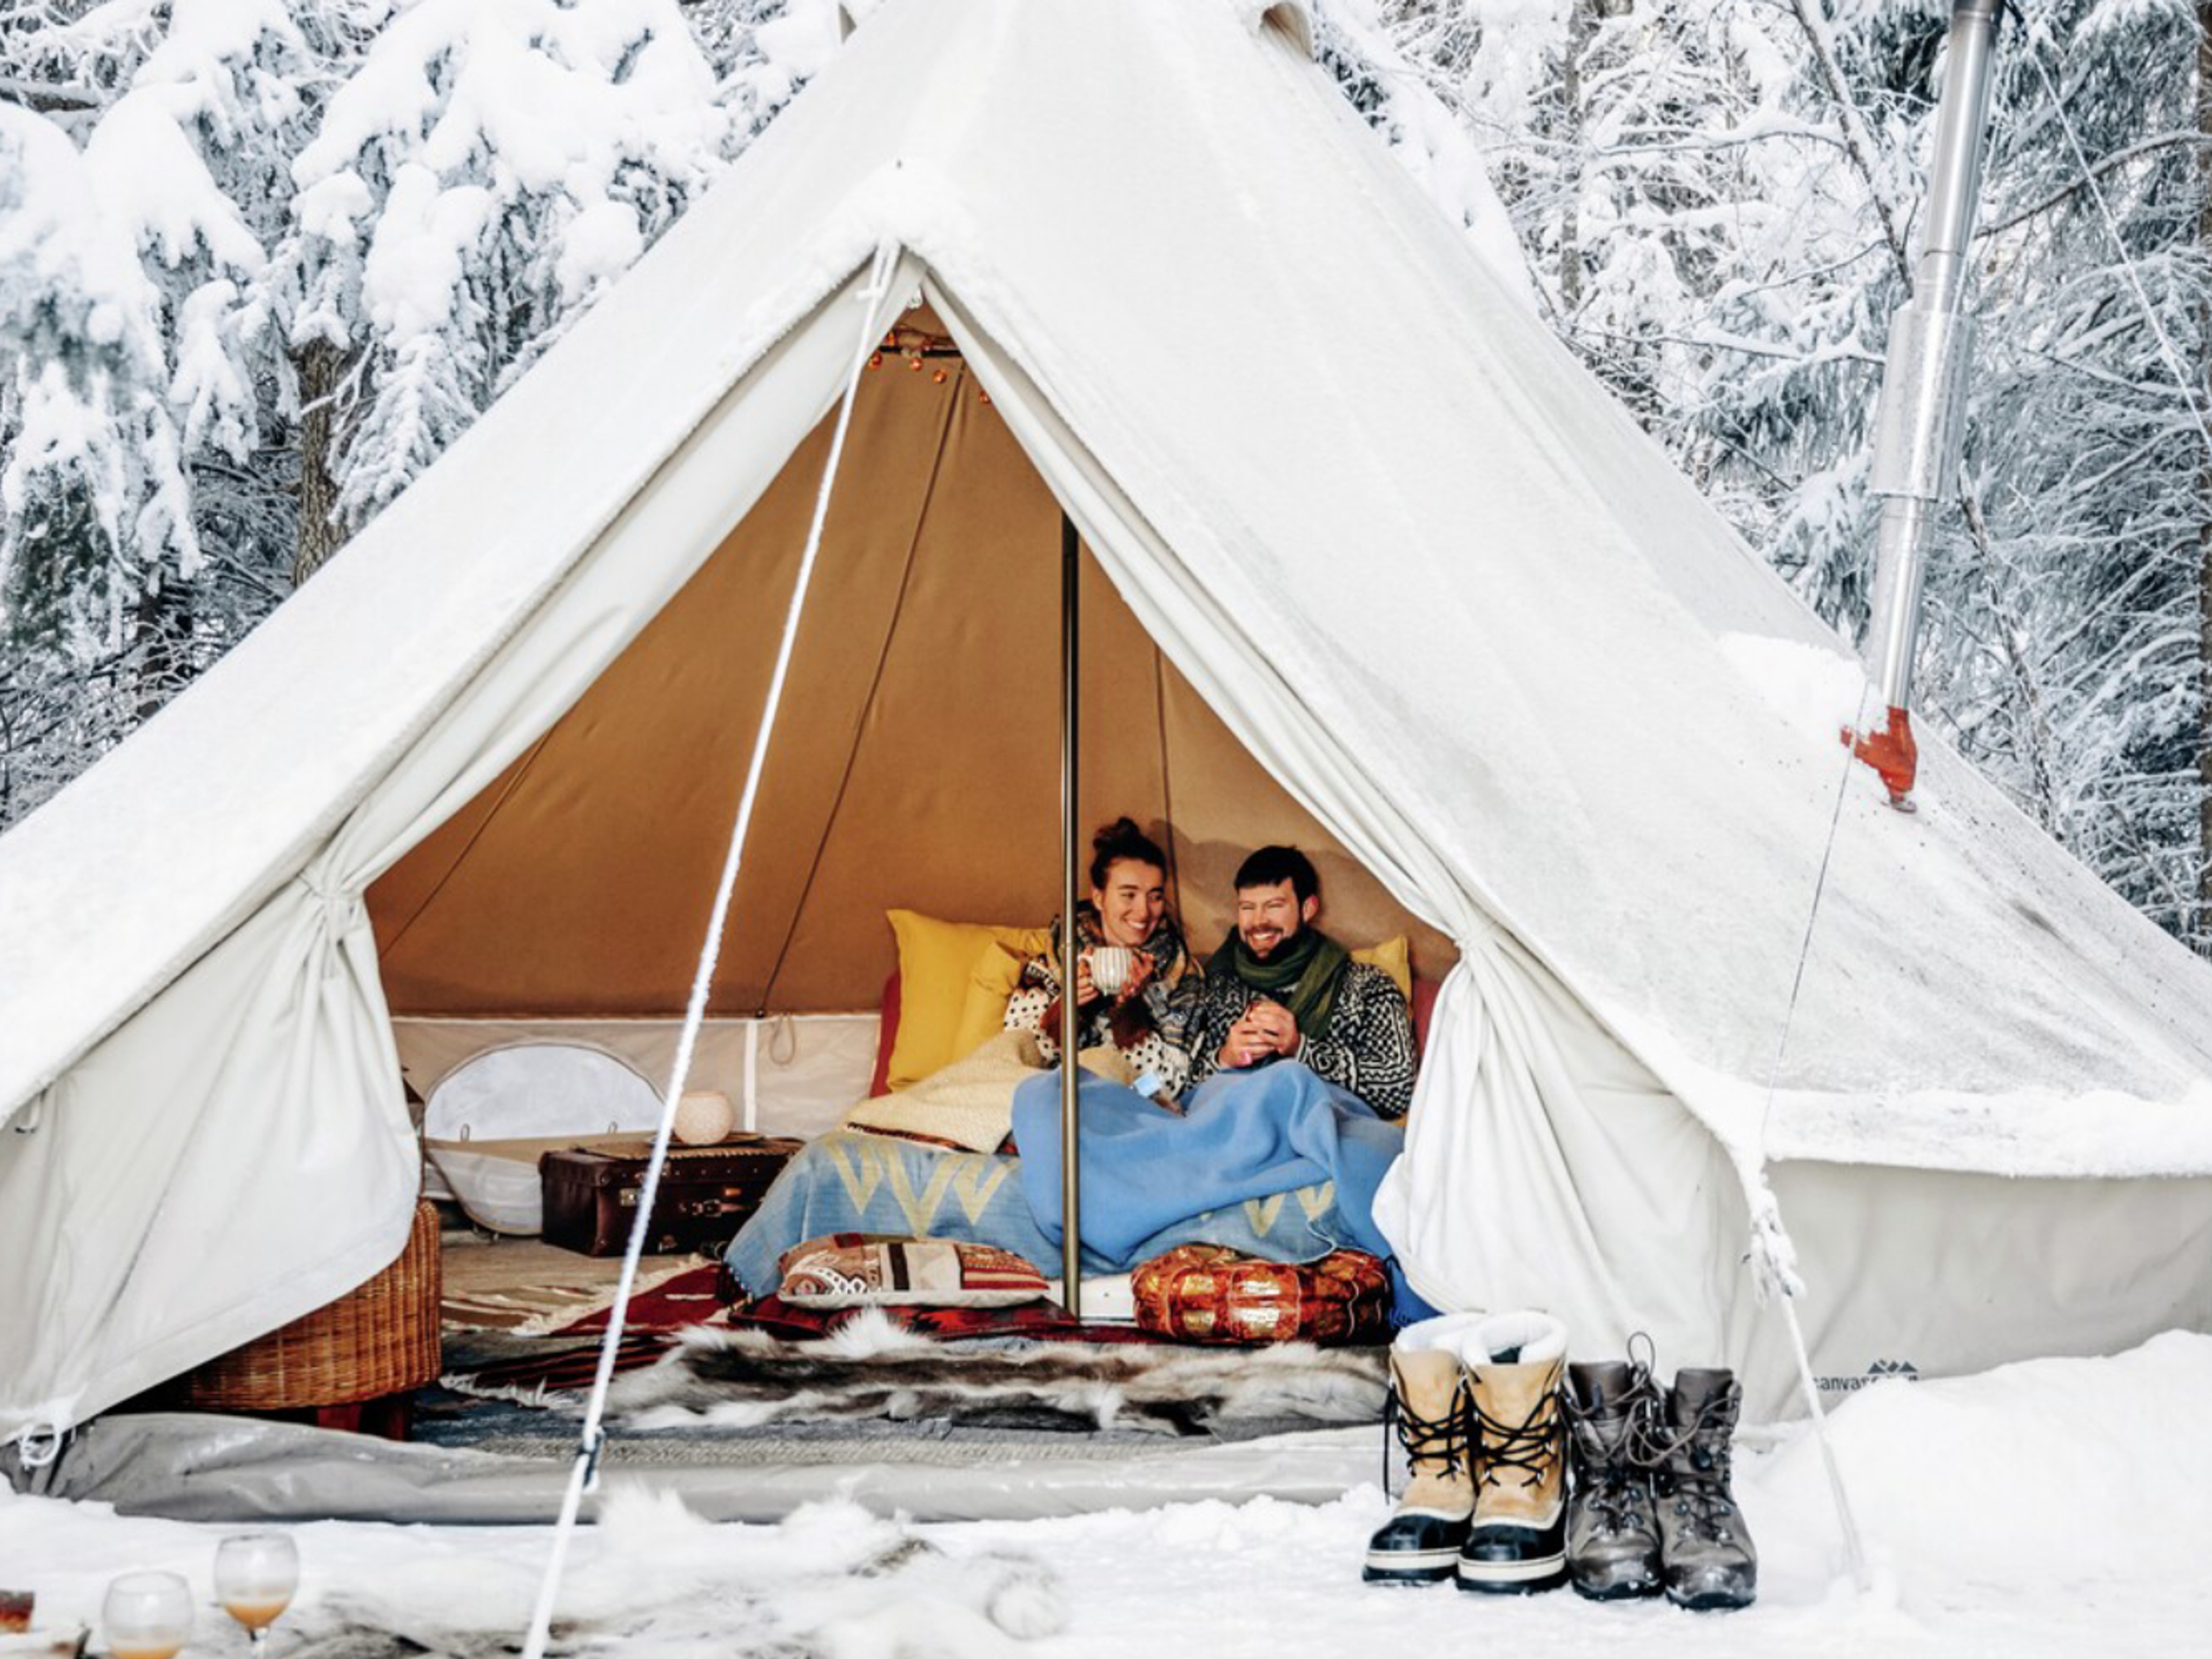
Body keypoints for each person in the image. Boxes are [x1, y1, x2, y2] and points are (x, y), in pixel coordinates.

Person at [1183, 844, 1416, 1119]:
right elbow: (1176, 1087)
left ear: (1308, 909)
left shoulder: (1367, 986)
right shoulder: (1218, 985)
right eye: (1247, 907)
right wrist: (1225, 1057)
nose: (1258, 921)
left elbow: (1399, 1089)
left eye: (1274, 906)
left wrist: (1300, 1048)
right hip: (1233, 1134)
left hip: (1322, 1136)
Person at [1005, 817, 1202, 1100]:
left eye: (1154, 896)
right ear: (1099, 898)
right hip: (1047, 1099)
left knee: (1100, 1072)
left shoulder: (1183, 979)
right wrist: (1068, 1010)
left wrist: (1130, 1016)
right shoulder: (1052, 965)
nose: (1144, 912)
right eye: (1128, 895)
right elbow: (1016, 1060)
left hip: (1120, 1104)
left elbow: (1169, 1086)